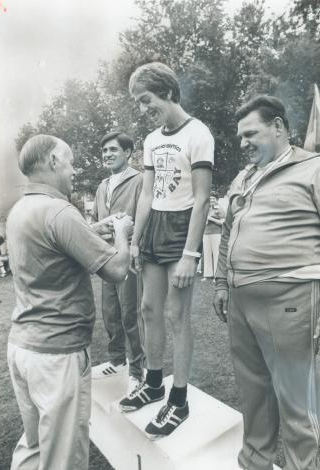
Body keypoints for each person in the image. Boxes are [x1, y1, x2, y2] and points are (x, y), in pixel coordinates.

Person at [6, 134, 133, 470]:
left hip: (23, 348)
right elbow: (118, 270)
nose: (74, 170)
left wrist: (91, 229)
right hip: (57, 356)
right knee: (63, 457)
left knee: (33, 448)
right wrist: (121, 231)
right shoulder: (61, 211)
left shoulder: (20, 210)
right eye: (70, 160)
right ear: (52, 162)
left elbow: (53, 245)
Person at [214, 95, 320, 470]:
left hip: (291, 298)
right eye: (240, 136)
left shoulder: (314, 169)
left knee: (297, 402)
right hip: (242, 300)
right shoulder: (244, 177)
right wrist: (222, 284)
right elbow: (228, 230)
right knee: (254, 394)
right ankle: (254, 463)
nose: (242, 143)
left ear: (278, 127)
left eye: (250, 133)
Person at [119, 62, 214, 439]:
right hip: (155, 226)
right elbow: (147, 193)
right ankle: (155, 382)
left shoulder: (199, 133)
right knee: (147, 309)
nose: (143, 109)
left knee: (177, 315)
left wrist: (191, 254)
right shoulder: (151, 139)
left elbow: (203, 198)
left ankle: (179, 399)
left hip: (182, 228)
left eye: (147, 100)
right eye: (139, 103)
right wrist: (136, 240)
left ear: (169, 92)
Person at [91, 131, 145, 394]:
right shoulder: (102, 186)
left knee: (130, 314)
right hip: (106, 257)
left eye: (113, 150)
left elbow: (146, 219)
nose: (108, 155)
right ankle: (117, 360)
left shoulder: (140, 180)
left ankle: (137, 370)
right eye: (104, 151)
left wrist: (135, 247)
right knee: (110, 313)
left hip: (129, 257)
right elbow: (95, 221)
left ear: (128, 153)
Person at [201, 192, 225, 281]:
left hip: (216, 233)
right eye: (210, 199)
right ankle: (207, 275)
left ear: (217, 199)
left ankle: (217, 276)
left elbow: (223, 222)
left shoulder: (219, 209)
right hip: (206, 233)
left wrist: (211, 219)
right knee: (206, 254)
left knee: (216, 254)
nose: (211, 200)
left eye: (213, 198)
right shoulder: (207, 209)